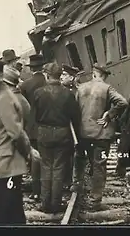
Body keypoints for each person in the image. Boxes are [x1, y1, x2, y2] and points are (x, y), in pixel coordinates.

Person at [0, 59, 41, 225]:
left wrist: (28, 152)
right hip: (1, 165)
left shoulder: (3, 99)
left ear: (0, 77)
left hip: (5, 167)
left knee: (0, 215)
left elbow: (16, 133)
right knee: (10, 213)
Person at [73, 63, 127, 211]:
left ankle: (77, 187)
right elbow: (123, 102)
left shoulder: (81, 88)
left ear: (93, 74)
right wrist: (109, 114)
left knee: (83, 160)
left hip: (83, 133)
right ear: (103, 75)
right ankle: (95, 200)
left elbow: (75, 109)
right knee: (99, 166)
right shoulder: (107, 88)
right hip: (101, 135)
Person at [33, 63, 81, 213]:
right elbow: (76, 117)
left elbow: (33, 116)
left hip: (44, 132)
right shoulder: (68, 94)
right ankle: (56, 203)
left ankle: (45, 203)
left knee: (46, 167)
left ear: (47, 75)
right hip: (62, 133)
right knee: (59, 168)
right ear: (60, 76)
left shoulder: (38, 93)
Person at [19, 54, 47, 201]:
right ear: (43, 67)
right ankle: (48, 190)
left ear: (32, 69)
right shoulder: (48, 82)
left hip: (32, 127)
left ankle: (36, 191)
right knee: (48, 159)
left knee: (35, 159)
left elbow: (24, 109)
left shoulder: (25, 85)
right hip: (48, 126)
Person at [60, 64, 81, 189]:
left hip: (72, 128)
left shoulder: (76, 92)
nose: (62, 77)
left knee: (71, 155)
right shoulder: (62, 90)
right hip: (64, 127)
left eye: (65, 75)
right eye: (62, 74)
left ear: (72, 78)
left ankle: (70, 180)